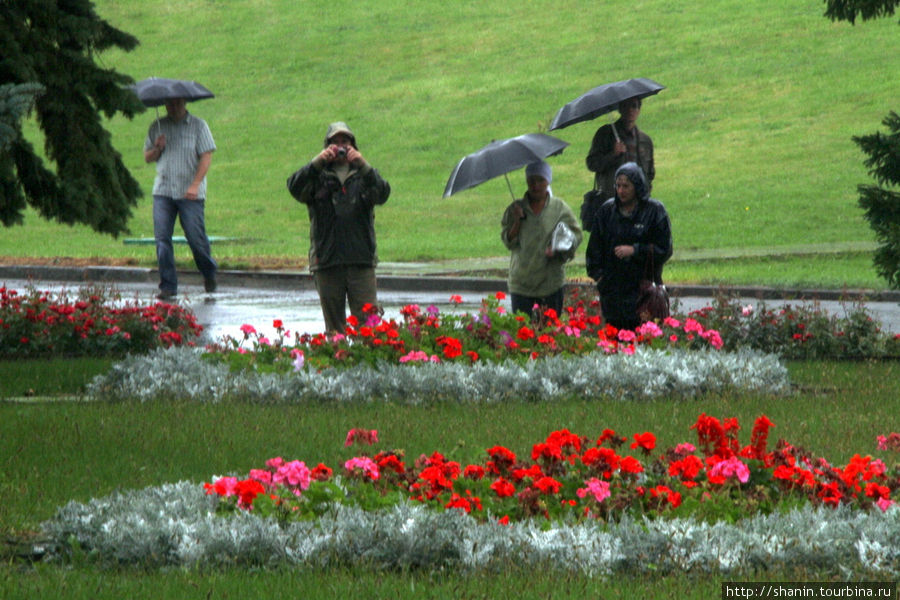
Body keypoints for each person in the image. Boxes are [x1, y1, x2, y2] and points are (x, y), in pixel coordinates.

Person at [286, 122, 391, 333]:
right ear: (327, 146)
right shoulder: (316, 178)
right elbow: (294, 187)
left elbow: (383, 194)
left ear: (353, 145)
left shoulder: (364, 175)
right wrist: (317, 163)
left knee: (368, 327)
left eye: (345, 142)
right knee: (334, 331)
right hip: (327, 260)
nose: (340, 147)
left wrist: (364, 165)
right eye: (335, 143)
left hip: (360, 259)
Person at [143, 97, 217, 300]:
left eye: (177, 104)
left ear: (184, 103)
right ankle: (168, 285)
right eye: (169, 104)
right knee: (162, 240)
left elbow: (206, 155)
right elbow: (147, 157)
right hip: (163, 191)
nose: (173, 107)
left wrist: (195, 184)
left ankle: (208, 272)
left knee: (196, 238)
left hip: (190, 193)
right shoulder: (158, 126)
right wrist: (157, 148)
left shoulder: (198, 126)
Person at [585, 162, 672, 331]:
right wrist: (601, 279)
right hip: (613, 293)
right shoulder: (607, 211)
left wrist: (636, 250)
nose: (621, 191)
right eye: (618, 186)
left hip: (643, 291)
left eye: (626, 186)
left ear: (637, 187)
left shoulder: (654, 211)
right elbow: (594, 250)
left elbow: (665, 249)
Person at [501, 161, 582, 319]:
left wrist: (558, 249)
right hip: (521, 284)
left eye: (540, 180)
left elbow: (576, 235)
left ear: (548, 181)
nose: (536, 185)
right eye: (532, 180)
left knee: (549, 337)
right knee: (523, 336)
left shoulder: (559, 208)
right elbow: (508, 241)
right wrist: (517, 221)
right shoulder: (515, 208)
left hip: (550, 284)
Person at [582, 97, 655, 232]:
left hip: (637, 207)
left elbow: (650, 174)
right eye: (626, 106)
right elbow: (592, 163)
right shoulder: (605, 134)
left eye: (634, 106)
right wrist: (613, 154)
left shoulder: (645, 141)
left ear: (639, 110)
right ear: (620, 109)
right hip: (611, 204)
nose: (631, 110)